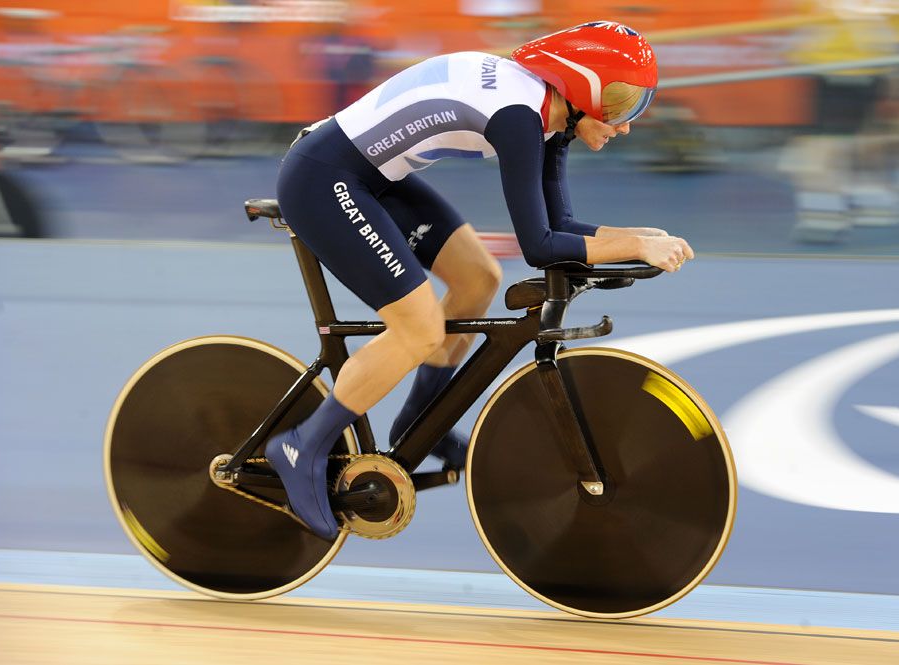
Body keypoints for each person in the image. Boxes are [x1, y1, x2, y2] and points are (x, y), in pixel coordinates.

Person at [265, 21, 695, 540]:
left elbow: (558, 226)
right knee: (417, 329)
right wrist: (634, 244)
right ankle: (302, 446)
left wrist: (637, 237)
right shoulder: (519, 117)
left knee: (478, 277)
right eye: (623, 106)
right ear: (584, 88)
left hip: (371, 177)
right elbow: (539, 246)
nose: (625, 125)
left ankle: (417, 419)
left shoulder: (553, 116)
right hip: (324, 180)